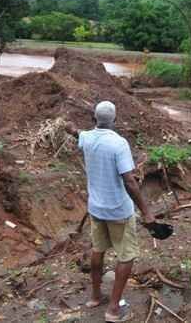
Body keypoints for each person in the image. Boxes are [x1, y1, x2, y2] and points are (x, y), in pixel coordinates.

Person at [69, 101, 154, 322]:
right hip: (118, 210)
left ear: (94, 119)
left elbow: (77, 134)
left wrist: (69, 128)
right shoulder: (119, 144)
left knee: (98, 250)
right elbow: (130, 181)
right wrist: (146, 211)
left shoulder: (86, 138)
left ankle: (96, 297)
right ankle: (114, 309)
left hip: (96, 209)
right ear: (114, 121)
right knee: (126, 256)